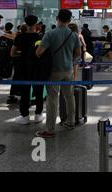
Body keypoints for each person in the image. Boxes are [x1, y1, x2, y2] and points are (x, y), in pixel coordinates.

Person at [35, 9, 81, 138]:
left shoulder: (50, 34)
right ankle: (70, 122)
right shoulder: (73, 35)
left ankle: (50, 129)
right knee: (69, 96)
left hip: (53, 71)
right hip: (68, 70)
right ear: (70, 20)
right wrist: (70, 61)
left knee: (52, 99)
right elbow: (78, 54)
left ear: (57, 18)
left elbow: (39, 52)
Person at [10, 15, 45, 125]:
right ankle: (38, 114)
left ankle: (24, 115)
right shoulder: (40, 37)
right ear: (36, 24)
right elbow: (43, 53)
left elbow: (12, 53)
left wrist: (22, 54)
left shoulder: (20, 37)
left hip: (23, 67)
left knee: (25, 91)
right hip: (38, 67)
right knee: (38, 91)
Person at [0, 22, 16, 104]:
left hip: (3, 52)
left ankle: (2, 75)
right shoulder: (11, 34)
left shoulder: (2, 33)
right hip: (8, 52)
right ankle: (7, 75)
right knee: (8, 64)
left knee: (2, 64)